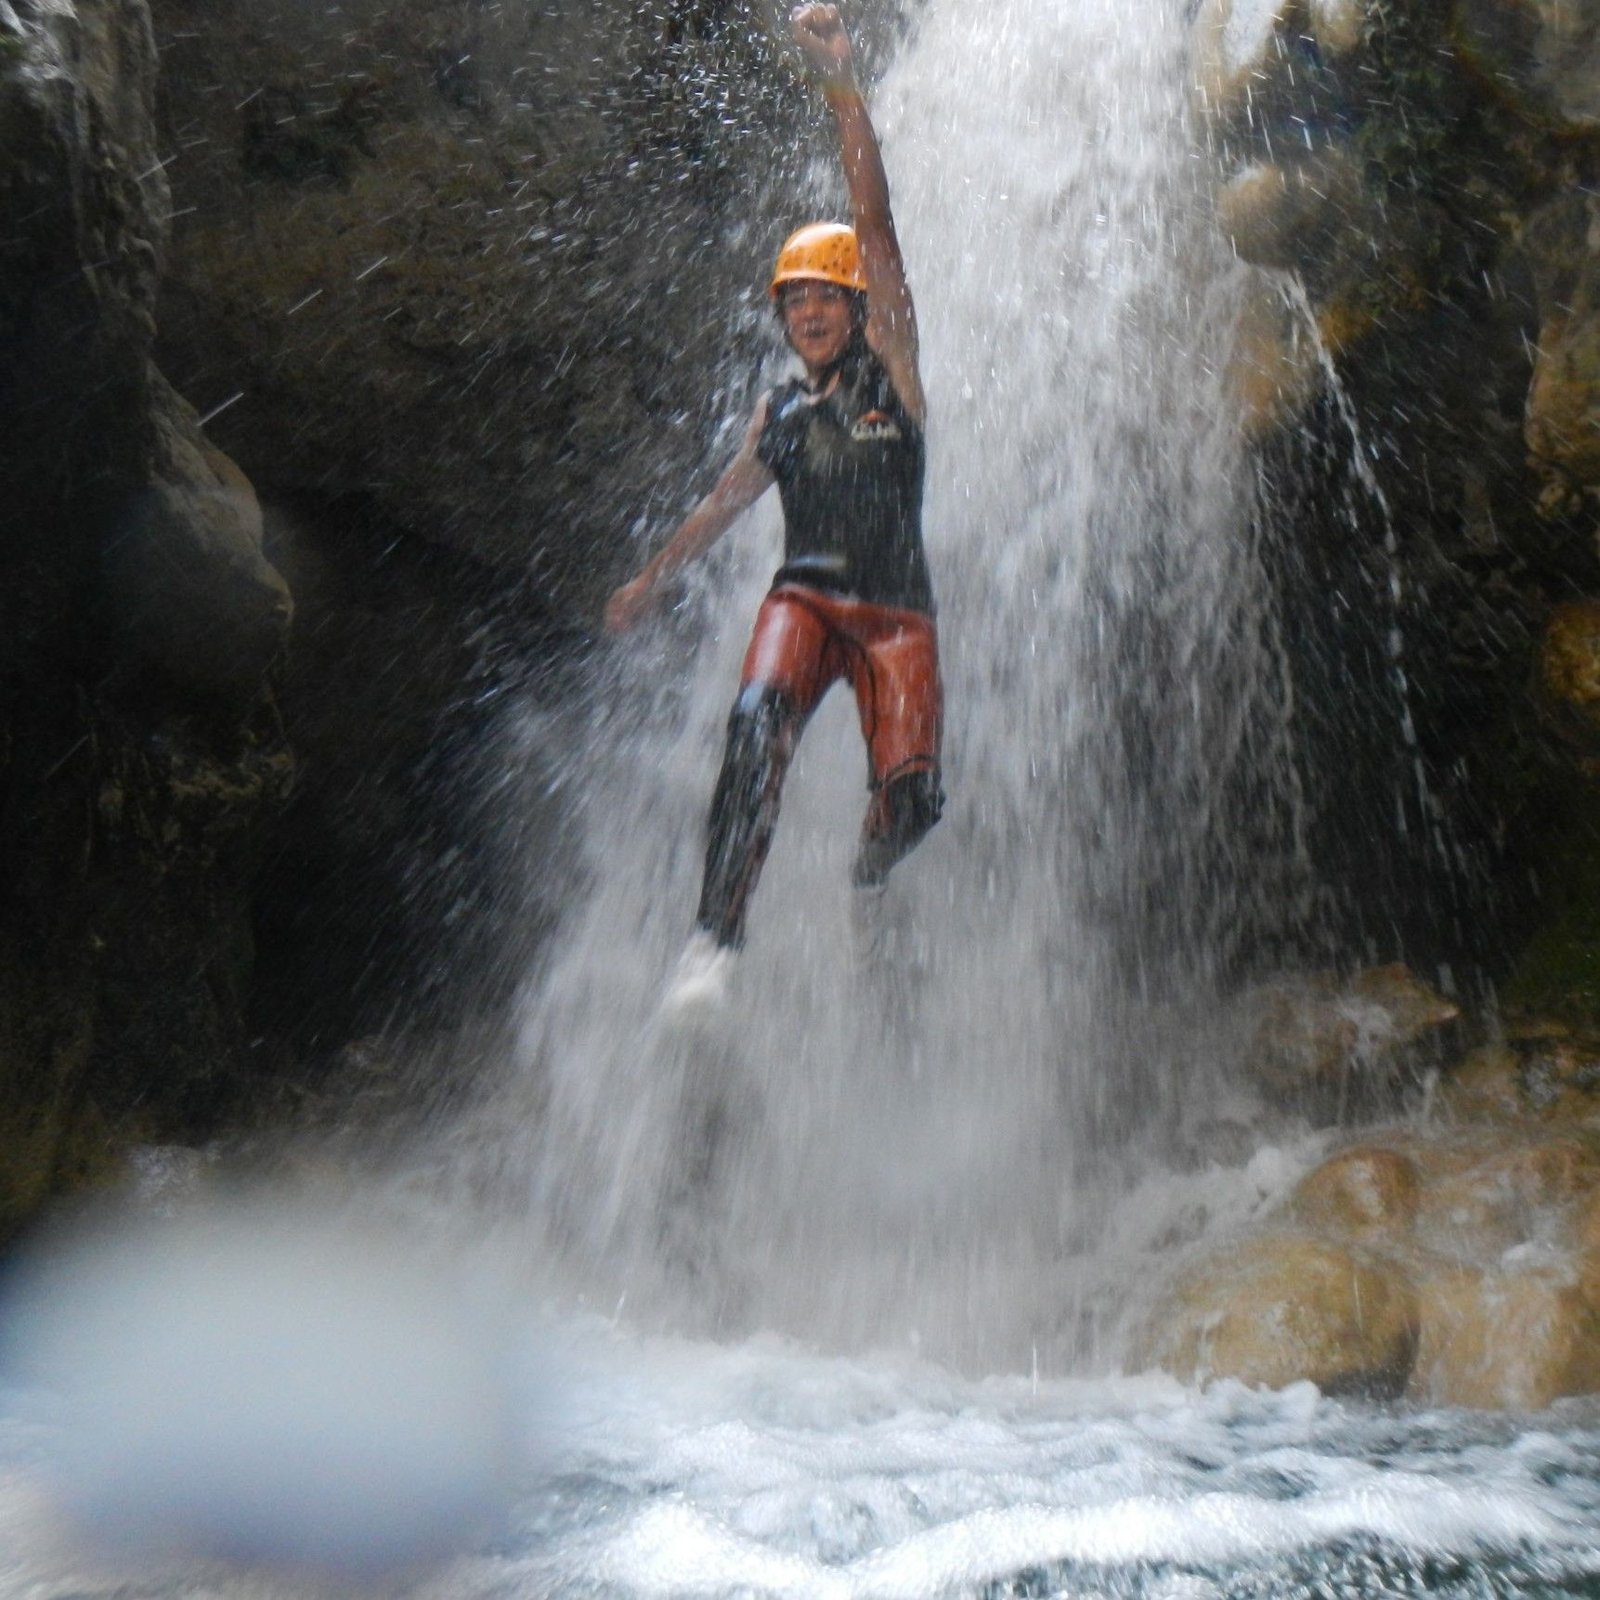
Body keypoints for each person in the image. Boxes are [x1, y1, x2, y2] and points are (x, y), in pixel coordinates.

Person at [605, 1, 942, 1012]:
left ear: (855, 306)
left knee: (914, 801)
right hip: (805, 600)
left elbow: (872, 222)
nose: (807, 308)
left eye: (824, 295)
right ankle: (714, 942)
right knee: (755, 729)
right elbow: (720, 504)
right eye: (793, 298)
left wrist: (839, 78)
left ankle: (868, 881)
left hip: (894, 616)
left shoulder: (895, 370)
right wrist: (650, 579)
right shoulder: (780, 412)